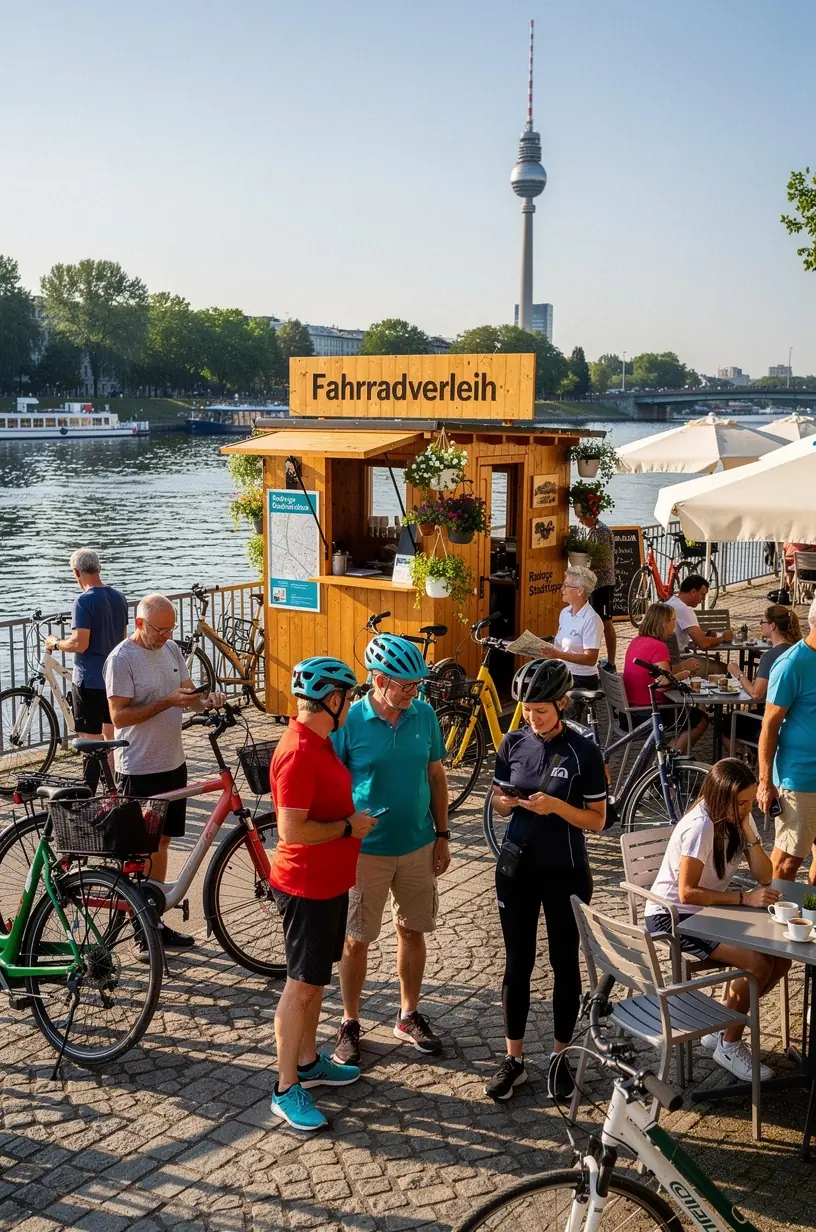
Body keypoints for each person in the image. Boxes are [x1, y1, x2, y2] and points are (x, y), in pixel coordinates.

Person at [485, 659, 606, 1103]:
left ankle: (560, 1056)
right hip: (516, 869)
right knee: (517, 963)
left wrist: (554, 808)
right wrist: (507, 801)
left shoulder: (583, 752)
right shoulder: (513, 742)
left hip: (565, 870)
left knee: (563, 964)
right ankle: (513, 1060)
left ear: (561, 703)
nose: (531, 718)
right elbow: (498, 803)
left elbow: (597, 820)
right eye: (526, 710)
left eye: (540, 710)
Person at [268, 656, 377, 1133]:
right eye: (349, 698)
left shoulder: (320, 741)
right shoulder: (298, 750)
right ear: (333, 701)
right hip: (305, 885)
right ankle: (285, 1087)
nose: (351, 706)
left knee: (316, 982)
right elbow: (291, 831)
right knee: (301, 985)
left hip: (329, 882)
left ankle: (310, 1063)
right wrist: (350, 826)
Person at [332, 634, 450, 1066]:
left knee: (412, 930)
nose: (414, 693)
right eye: (406, 686)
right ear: (379, 680)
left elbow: (436, 776)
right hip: (367, 851)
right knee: (356, 939)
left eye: (417, 685)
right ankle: (349, 1021)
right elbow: (332, 783)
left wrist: (443, 834)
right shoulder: (350, 722)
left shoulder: (424, 715)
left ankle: (408, 1013)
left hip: (418, 845)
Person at [646, 758, 789, 1083]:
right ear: (720, 797)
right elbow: (687, 893)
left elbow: (765, 876)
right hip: (671, 918)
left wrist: (749, 829)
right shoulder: (701, 825)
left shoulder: (733, 818)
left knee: (780, 959)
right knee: (757, 964)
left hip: (706, 914)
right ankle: (729, 1043)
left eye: (750, 801)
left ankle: (724, 1025)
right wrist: (744, 899)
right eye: (741, 803)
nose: (747, 808)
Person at [104, 593, 226, 951]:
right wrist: (165, 703)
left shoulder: (171, 651)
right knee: (141, 850)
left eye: (172, 628)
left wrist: (208, 699)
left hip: (174, 762)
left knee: (163, 843)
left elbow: (189, 694)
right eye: (161, 629)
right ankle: (141, 932)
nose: (167, 636)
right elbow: (118, 717)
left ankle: (152, 919)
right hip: (139, 768)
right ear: (140, 624)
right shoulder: (121, 659)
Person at [45, 548, 128, 792]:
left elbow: (80, 643)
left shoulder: (83, 601)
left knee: (90, 741)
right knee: (109, 738)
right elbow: (122, 640)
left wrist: (55, 643)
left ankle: (88, 793)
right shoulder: (119, 597)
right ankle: (115, 790)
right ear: (98, 568)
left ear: (76, 572)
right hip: (114, 679)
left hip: (89, 682)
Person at [758, 595, 816, 885]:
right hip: (801, 778)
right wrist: (765, 782)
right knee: (787, 861)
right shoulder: (792, 664)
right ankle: (770, 923)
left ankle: (809, 915)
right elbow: (769, 725)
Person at [622, 601, 707, 754]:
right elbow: (664, 684)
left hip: (628, 712)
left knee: (691, 712)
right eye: (673, 620)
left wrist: (682, 667)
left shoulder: (636, 641)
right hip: (649, 714)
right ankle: (672, 758)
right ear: (664, 623)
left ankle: (670, 753)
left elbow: (660, 672)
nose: (674, 625)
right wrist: (684, 674)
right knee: (701, 719)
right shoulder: (659, 647)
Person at [729, 605, 801, 750]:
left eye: (762, 622)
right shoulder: (798, 649)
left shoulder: (769, 657)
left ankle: (749, 762)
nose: (761, 625)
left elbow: (756, 693)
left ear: (772, 626)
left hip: (772, 721)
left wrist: (738, 673)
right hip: (795, 718)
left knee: (727, 723)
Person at [539, 566, 604, 691]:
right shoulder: (565, 612)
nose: (562, 589)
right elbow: (562, 645)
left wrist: (559, 654)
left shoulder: (592, 619)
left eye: (566, 586)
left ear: (579, 591)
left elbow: (591, 659)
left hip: (580, 679)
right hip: (561, 672)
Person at [575, 503, 616, 666]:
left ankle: (611, 662)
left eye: (581, 518)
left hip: (602, 584)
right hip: (593, 583)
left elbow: (601, 560)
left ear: (590, 515)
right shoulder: (593, 530)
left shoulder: (601, 531)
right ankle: (590, 656)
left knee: (606, 623)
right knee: (592, 622)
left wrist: (583, 567)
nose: (580, 521)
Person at [667, 573, 732, 676]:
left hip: (668, 660)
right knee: (726, 669)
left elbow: (696, 637)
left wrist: (705, 635)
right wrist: (723, 638)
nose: (703, 599)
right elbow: (703, 644)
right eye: (702, 594)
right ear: (693, 591)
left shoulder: (669, 603)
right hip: (681, 661)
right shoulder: (684, 610)